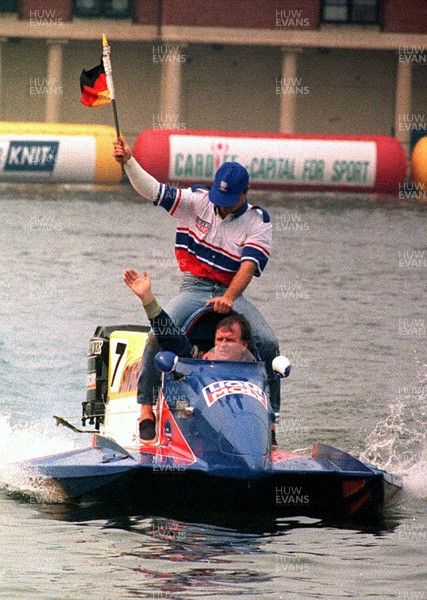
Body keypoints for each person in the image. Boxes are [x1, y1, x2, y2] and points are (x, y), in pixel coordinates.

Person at [114, 137, 281, 441]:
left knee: (268, 343)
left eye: (229, 199)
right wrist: (129, 161)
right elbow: (152, 190)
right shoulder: (196, 200)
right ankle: (146, 411)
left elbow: (247, 265)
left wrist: (229, 297)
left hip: (231, 291)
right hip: (193, 287)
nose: (221, 204)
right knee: (156, 338)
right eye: (218, 196)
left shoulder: (259, 221)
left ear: (245, 193)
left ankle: (270, 421)